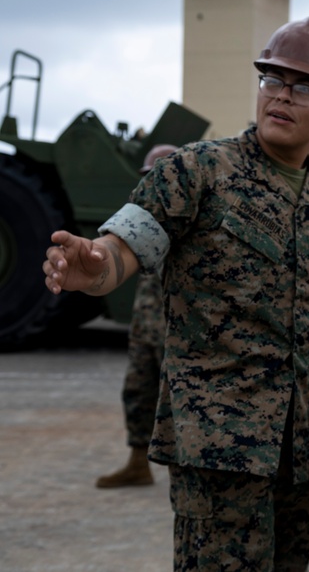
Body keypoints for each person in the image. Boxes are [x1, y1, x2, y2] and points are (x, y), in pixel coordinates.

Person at [42, 16, 309, 571]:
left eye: (303, 87)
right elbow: (123, 248)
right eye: (271, 80)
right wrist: (96, 268)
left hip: (302, 459)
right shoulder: (196, 173)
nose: (281, 95)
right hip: (218, 455)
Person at [95, 144, 176, 489]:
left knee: (178, 404)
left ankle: (185, 477)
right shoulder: (140, 219)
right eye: (147, 177)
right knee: (138, 391)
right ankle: (137, 463)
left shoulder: (189, 219)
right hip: (145, 324)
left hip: (177, 331)